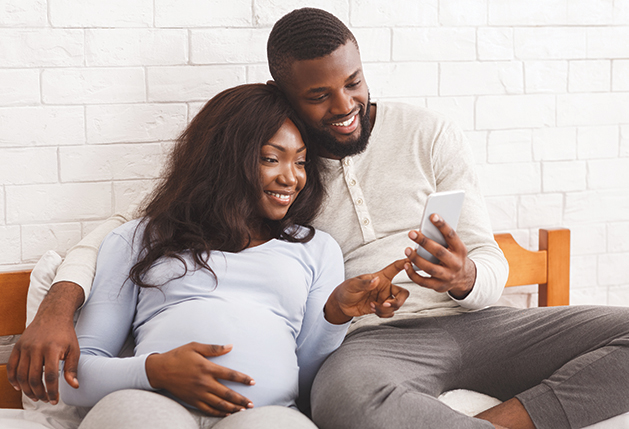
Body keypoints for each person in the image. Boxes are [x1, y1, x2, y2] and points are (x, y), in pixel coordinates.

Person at [8, 7, 629, 429]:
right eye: (318, 98)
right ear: (284, 99)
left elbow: (487, 259)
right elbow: (137, 228)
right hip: (372, 344)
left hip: (479, 319)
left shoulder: (426, 133)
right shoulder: (267, 172)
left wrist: (465, 278)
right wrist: (58, 305)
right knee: (342, 396)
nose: (345, 108)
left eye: (353, 83)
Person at [52, 83, 407, 428]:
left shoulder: (316, 249)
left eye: (300, 161)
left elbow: (306, 380)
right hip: (151, 403)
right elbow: (74, 378)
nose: (291, 178)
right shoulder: (140, 238)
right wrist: (154, 370)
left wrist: (336, 314)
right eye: (271, 158)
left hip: (266, 415)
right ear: (224, 158)